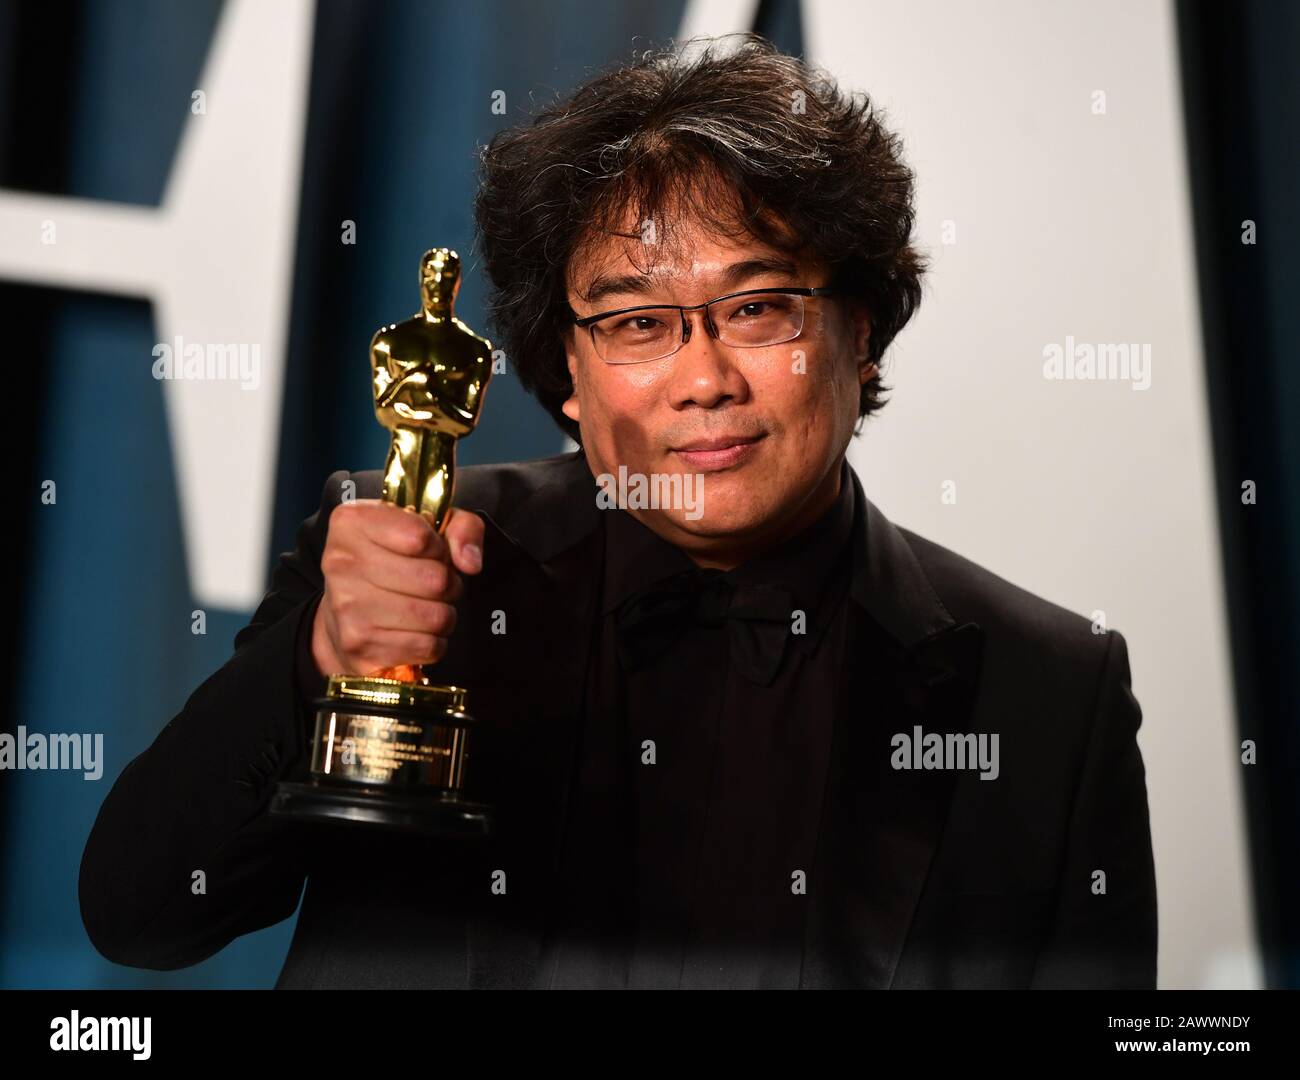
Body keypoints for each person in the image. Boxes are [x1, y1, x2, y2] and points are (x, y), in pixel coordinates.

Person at [79, 34, 1156, 989]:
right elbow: (141, 917)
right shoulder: (402, 557)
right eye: (638, 322)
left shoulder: (1052, 688)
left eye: (758, 307)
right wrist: (318, 661)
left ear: (859, 330)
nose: (704, 378)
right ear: (566, 377)